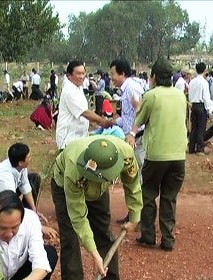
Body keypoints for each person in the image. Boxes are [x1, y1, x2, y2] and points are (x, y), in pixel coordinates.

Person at [51, 135, 142, 280]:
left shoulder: (126, 155)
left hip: (98, 190)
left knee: (104, 234)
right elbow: (78, 218)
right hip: (65, 187)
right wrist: (94, 254)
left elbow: (132, 185)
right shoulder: (73, 169)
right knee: (71, 240)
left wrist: (134, 217)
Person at [131, 57, 187, 252]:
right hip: (179, 155)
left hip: (156, 156)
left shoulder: (151, 95)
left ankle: (147, 236)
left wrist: (132, 132)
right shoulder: (181, 95)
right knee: (169, 197)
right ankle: (168, 239)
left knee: (148, 194)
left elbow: (140, 119)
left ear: (153, 76)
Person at [110, 58, 145, 225]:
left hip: (136, 139)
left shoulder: (132, 88)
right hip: (130, 137)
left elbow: (140, 113)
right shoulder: (126, 89)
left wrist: (131, 133)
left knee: (136, 177)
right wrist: (111, 122)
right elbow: (128, 116)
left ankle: (139, 218)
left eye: (113, 74)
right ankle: (133, 213)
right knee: (130, 176)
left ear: (122, 73)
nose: (111, 78)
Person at [0, 142, 46, 224]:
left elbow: (25, 187)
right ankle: (19, 219)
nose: (31, 158)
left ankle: (26, 215)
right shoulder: (5, 177)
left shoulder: (21, 167)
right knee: (11, 205)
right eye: (28, 157)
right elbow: (11, 200)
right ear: (21, 162)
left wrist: (34, 211)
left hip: (7, 192)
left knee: (34, 178)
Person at [55, 60, 113, 151]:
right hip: (68, 140)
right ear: (69, 75)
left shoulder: (79, 88)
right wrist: (103, 122)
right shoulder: (69, 90)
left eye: (83, 73)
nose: (82, 76)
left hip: (79, 138)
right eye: (78, 74)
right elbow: (85, 112)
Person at [188, 62, 213, 154]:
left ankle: (191, 147)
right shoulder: (204, 82)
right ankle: (199, 148)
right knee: (201, 128)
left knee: (194, 127)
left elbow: (190, 96)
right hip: (201, 106)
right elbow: (206, 98)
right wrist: (210, 111)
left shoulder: (192, 82)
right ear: (204, 71)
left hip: (193, 105)